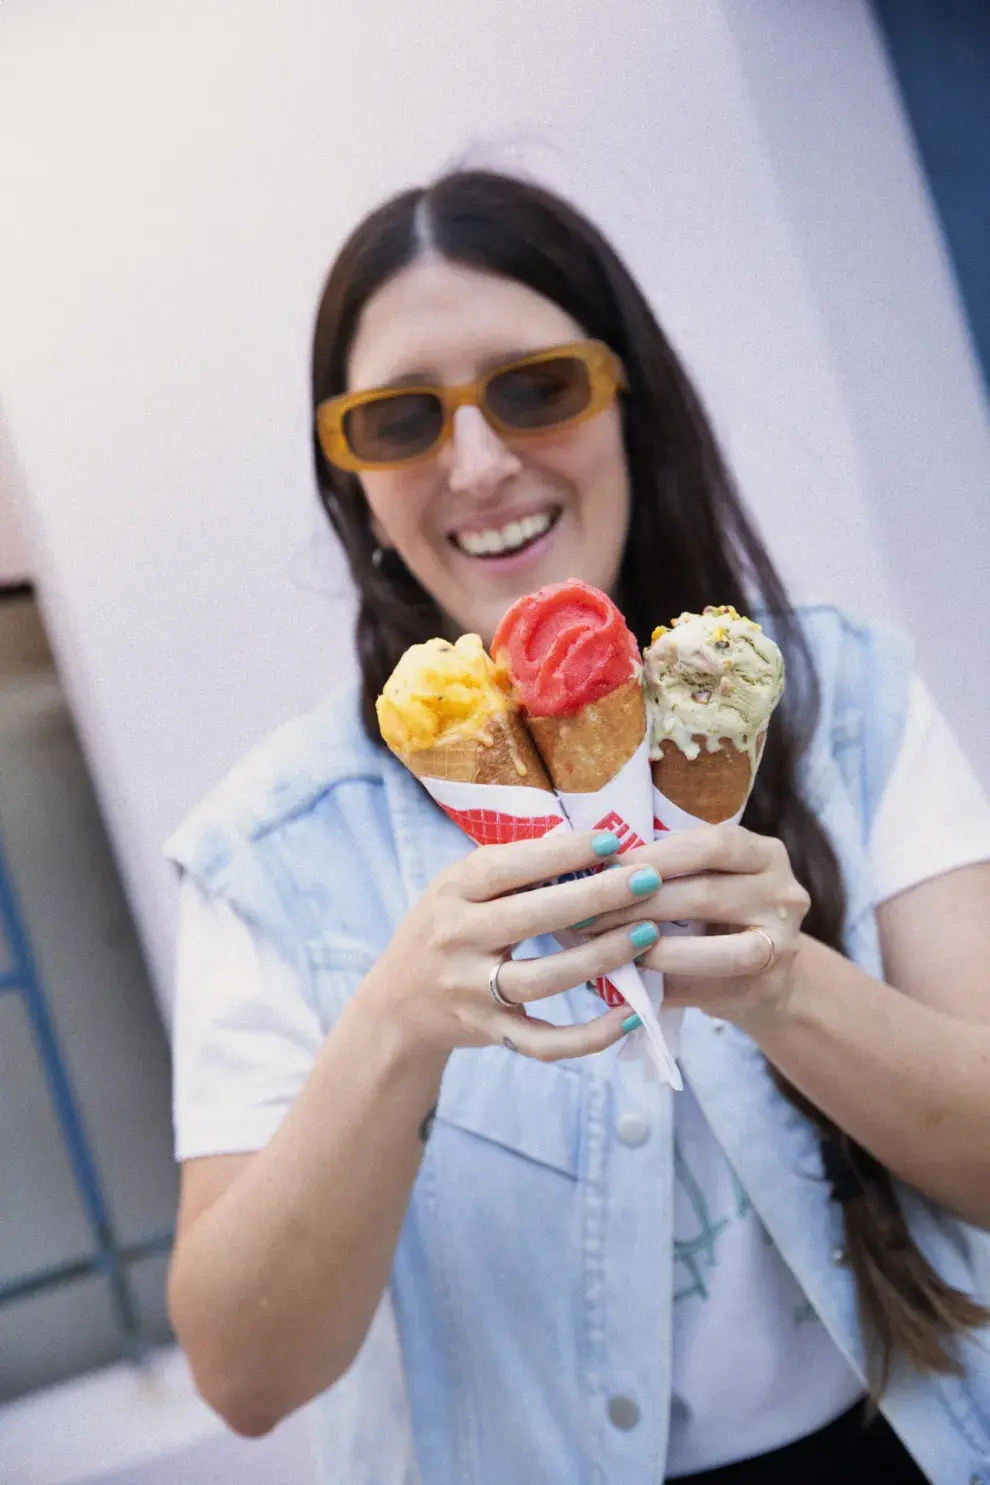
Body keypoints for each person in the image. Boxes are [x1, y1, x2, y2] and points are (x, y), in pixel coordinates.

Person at [164, 170, 990, 1484]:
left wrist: (785, 988)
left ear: (630, 399)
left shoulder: (843, 703)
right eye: (398, 420)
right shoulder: (269, 852)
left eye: (536, 387)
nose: (479, 462)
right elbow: (244, 1378)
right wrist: (395, 1026)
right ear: (353, 482)